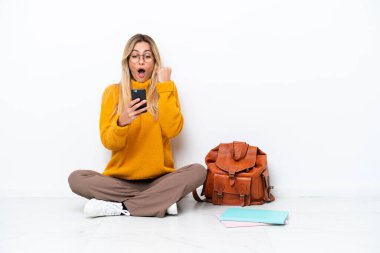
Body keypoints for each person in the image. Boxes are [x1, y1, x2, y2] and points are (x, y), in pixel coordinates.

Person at [68, 34, 206, 218]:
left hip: (159, 180)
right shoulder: (112, 93)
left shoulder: (165, 89)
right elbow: (109, 143)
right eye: (135, 56)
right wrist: (121, 122)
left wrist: (165, 86)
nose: (141, 61)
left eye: (147, 56)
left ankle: (122, 207)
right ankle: (160, 202)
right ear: (128, 62)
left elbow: (173, 130)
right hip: (120, 182)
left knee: (198, 171)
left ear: (154, 62)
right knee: (76, 179)